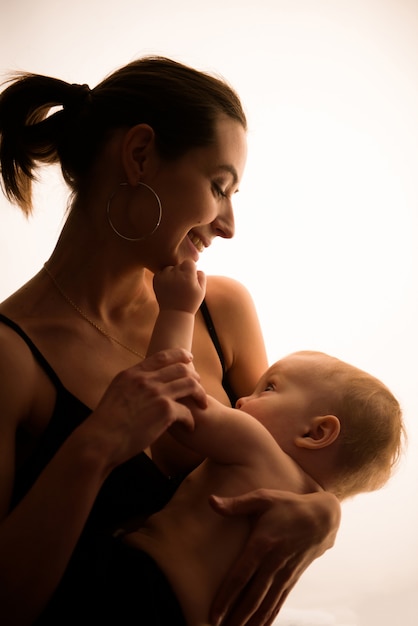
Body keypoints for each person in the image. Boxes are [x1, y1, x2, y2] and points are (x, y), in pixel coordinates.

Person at [0, 56, 341, 626]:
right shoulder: (11, 358)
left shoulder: (221, 311)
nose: (229, 223)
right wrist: (96, 445)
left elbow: (287, 464)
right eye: (219, 186)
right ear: (139, 155)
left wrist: (325, 513)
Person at [118, 259, 405, 626]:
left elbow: (174, 398)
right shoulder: (300, 509)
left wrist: (177, 310)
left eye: (268, 388)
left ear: (316, 433)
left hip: (142, 587)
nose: (240, 401)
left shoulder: (254, 443)